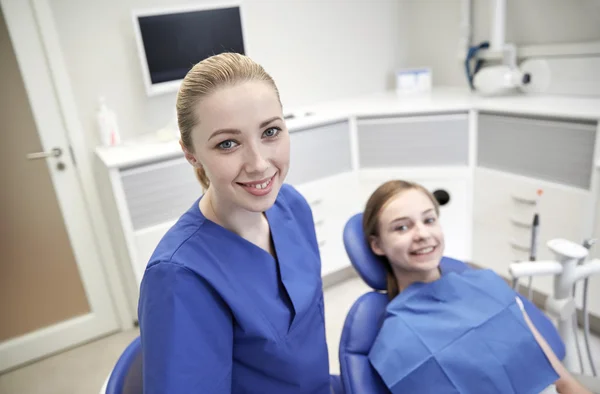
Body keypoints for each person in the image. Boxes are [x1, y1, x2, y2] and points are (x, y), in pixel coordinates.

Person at [137, 53, 331, 394]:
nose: (259, 164)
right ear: (190, 153)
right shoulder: (180, 278)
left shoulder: (292, 207)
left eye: (270, 131)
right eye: (228, 143)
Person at [362, 180, 592, 394]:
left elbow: (558, 374)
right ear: (377, 245)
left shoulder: (488, 285)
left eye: (429, 220)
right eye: (402, 227)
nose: (422, 234)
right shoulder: (395, 342)